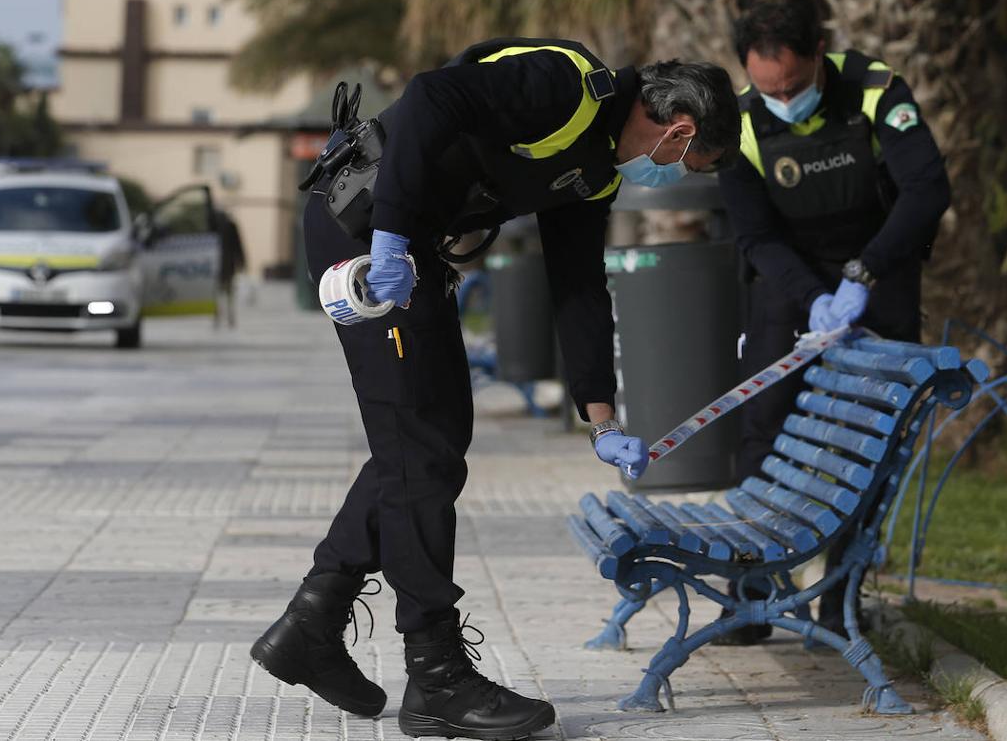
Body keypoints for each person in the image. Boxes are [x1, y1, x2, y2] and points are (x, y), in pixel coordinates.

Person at [250, 37, 740, 739]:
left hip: (409, 253)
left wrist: (601, 418)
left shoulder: (596, 171)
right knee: (419, 449)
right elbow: (431, 97)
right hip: (362, 234)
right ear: (680, 129)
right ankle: (436, 675)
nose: (681, 174)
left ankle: (314, 621)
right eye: (697, 162)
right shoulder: (568, 85)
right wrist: (389, 237)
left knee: (434, 444)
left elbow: (578, 287)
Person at [716, 0, 951, 644]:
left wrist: (864, 275)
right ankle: (752, 586)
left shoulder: (874, 91)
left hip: (879, 265)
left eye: (792, 86)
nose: (782, 99)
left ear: (819, 55)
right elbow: (754, 235)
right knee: (761, 424)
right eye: (768, 89)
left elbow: (928, 190)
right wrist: (811, 295)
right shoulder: (737, 122)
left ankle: (840, 594)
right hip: (790, 277)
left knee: (875, 435)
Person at [214, 208, 246, 329]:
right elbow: (238, 245)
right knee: (228, 292)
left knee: (220, 291)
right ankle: (229, 317)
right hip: (228, 263)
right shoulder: (230, 226)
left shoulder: (217, 226)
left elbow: (237, 245)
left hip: (220, 263)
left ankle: (220, 316)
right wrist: (242, 262)